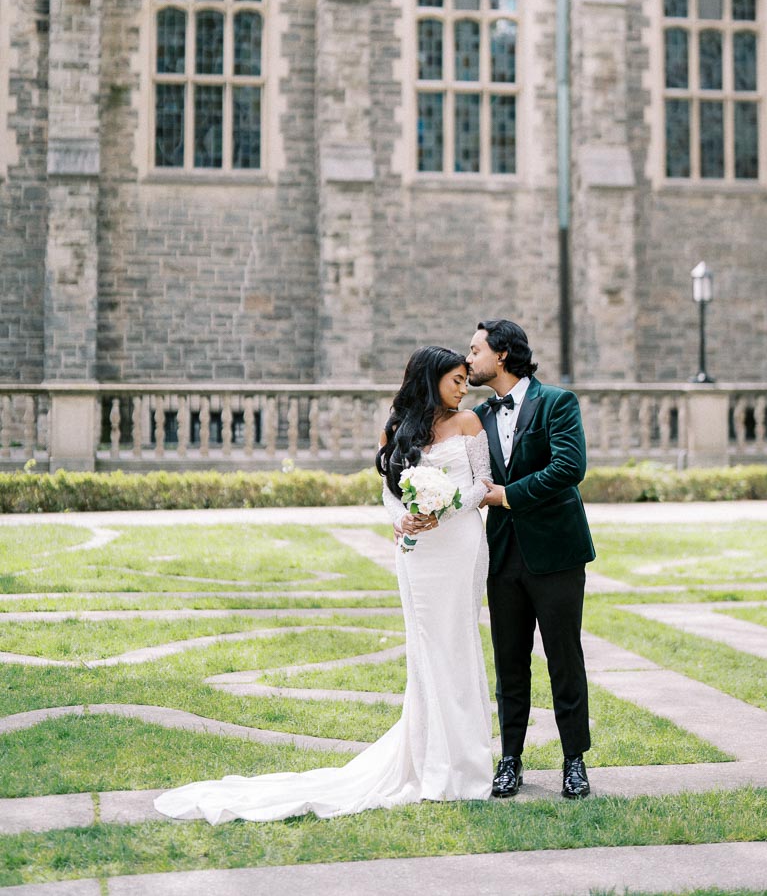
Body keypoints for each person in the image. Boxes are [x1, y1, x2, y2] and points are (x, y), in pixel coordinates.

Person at [154, 346, 493, 823]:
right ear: (429, 378)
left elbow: (483, 484)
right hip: (416, 552)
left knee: (458, 641)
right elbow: (387, 489)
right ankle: (428, 757)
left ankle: (464, 762)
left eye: (465, 380)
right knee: (426, 646)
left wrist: (443, 510)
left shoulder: (470, 425)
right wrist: (403, 520)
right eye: (455, 380)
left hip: (458, 543)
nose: (463, 388)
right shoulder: (398, 428)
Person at [467, 318, 595, 801]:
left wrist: (507, 496)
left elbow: (569, 467)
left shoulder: (557, 402)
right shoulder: (478, 416)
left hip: (557, 553)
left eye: (475, 350)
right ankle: (510, 760)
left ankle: (574, 761)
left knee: (565, 659)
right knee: (509, 663)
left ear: (502, 355)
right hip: (502, 556)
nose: (468, 359)